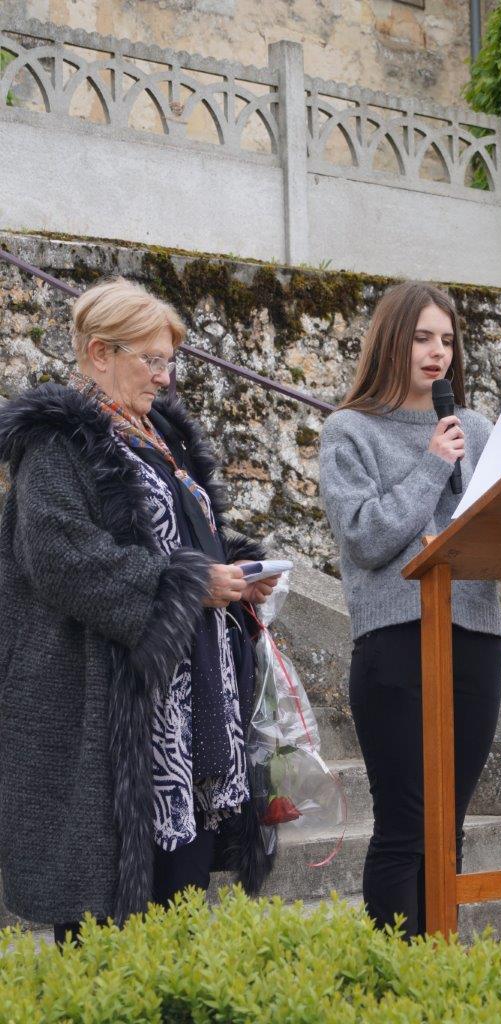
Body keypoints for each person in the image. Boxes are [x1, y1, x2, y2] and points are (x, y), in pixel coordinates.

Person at [0, 277, 277, 943]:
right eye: (150, 360)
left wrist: (234, 571)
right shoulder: (59, 444)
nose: (165, 376)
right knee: (106, 930)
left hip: (182, 720)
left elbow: (178, 542)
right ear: (99, 354)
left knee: (175, 919)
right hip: (105, 716)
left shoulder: (160, 439)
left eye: (169, 360)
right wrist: (186, 583)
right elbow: (63, 559)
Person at [319, 281, 501, 939]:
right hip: (395, 642)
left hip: (474, 637)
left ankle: (439, 976)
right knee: (406, 823)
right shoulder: (350, 431)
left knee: (447, 822)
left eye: (447, 341)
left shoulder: (477, 429)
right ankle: (398, 982)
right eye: (423, 338)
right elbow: (366, 536)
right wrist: (430, 466)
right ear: (392, 342)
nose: (437, 353)